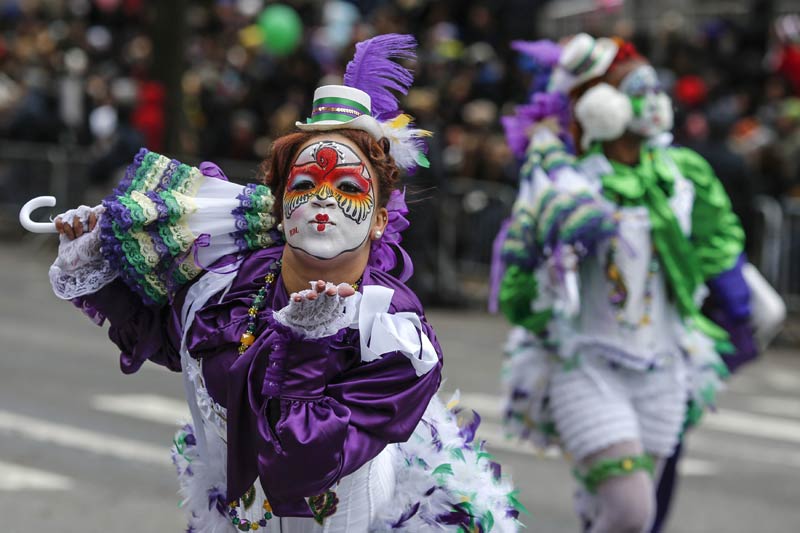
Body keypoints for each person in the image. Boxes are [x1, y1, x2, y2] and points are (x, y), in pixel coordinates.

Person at [43, 34, 522, 533]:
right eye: (304, 184)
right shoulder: (228, 286)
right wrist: (91, 261)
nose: (323, 199)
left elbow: (301, 467)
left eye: (349, 188)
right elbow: (166, 338)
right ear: (279, 205)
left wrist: (306, 347)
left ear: (379, 220)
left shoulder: (393, 334)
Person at [495, 33, 750, 533]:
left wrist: (730, 297)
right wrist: (553, 253)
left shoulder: (680, 175)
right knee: (632, 513)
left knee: (617, 514)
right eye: (638, 88)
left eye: (657, 87)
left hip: (665, 366)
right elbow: (519, 290)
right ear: (600, 105)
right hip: (588, 363)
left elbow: (717, 244)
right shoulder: (568, 186)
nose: (654, 100)